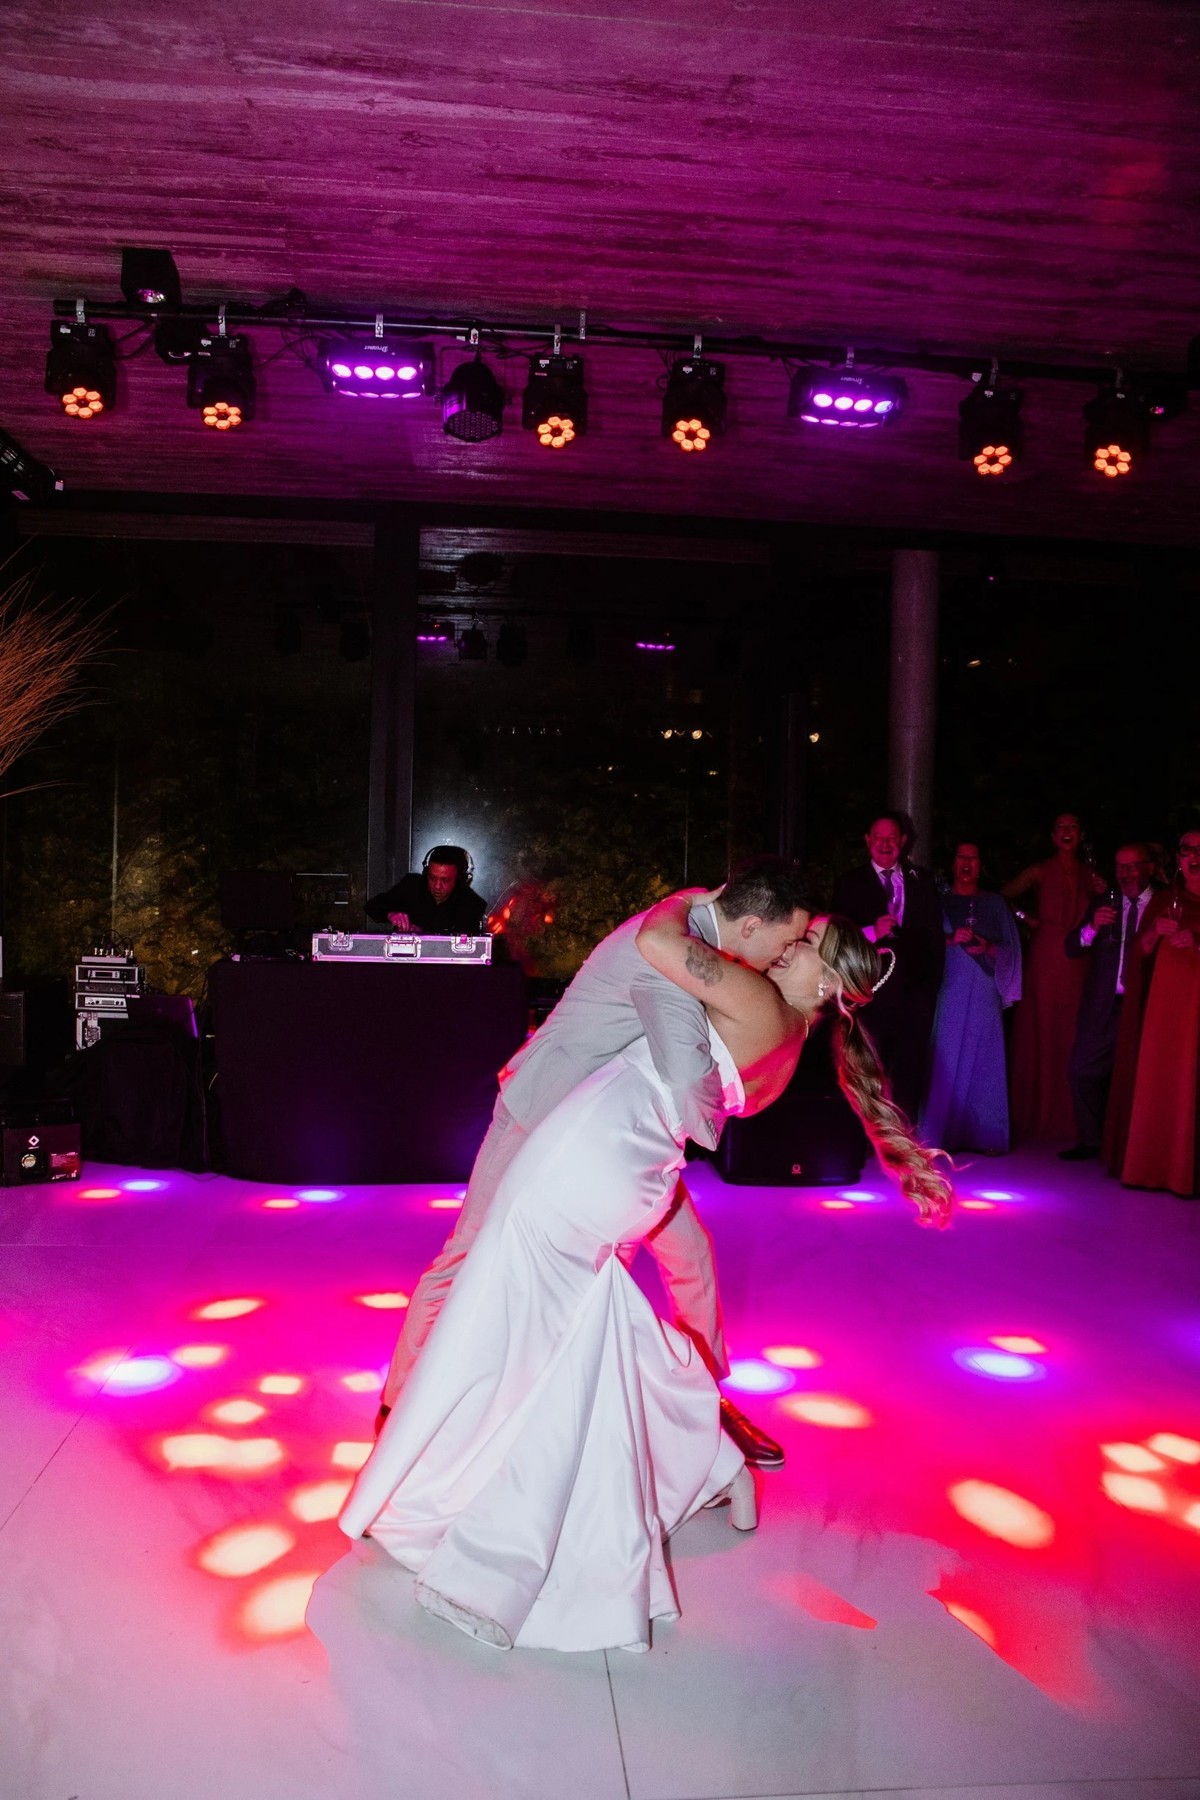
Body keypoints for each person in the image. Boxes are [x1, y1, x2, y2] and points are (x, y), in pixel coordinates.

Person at [339, 898, 951, 1653]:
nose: (789, 945)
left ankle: (507, 1499)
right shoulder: (787, 1042)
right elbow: (691, 1068)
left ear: (828, 985)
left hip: (594, 1150)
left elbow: (659, 944)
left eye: (806, 943)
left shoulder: (755, 995)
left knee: (528, 1308)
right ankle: (709, 1450)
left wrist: (695, 903)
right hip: (622, 1151)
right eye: (795, 933)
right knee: (583, 1311)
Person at [376, 856, 815, 1471]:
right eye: (788, 939)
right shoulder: (671, 951)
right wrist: (728, 1107)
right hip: (541, 1113)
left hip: (611, 1139)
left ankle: (705, 1401)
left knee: (689, 1254)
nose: (788, 953)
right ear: (750, 927)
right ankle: (397, 1408)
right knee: (466, 1255)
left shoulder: (690, 926)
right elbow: (688, 1083)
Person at [831, 811, 946, 1121]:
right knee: (868, 1072)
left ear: (903, 841)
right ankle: (865, 1136)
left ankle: (904, 1137)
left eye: (892, 838)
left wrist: (929, 992)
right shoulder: (850, 883)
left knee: (910, 1075)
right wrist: (871, 932)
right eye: (879, 837)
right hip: (869, 997)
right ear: (868, 840)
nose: (885, 844)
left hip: (914, 1000)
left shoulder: (921, 881)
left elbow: (935, 940)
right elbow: (835, 936)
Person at [1104, 828, 1200, 1196]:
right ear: (1178, 858)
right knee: (1161, 1079)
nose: (1194, 857)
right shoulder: (1165, 899)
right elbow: (1138, 954)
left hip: (1193, 1005)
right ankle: (1153, 1166)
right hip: (1164, 1009)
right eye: (1187, 850)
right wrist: (1155, 931)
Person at [1003, 813, 1101, 1141]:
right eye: (1061, 827)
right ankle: (1039, 1112)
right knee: (1043, 1029)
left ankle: (1074, 1118)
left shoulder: (1091, 873)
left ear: (1081, 834)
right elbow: (1003, 896)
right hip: (1046, 955)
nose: (1067, 832)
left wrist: (1102, 894)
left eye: (1073, 827)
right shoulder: (1040, 870)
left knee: (1073, 1030)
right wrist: (1027, 919)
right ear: (1052, 836)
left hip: (1078, 958)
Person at [920, 841, 1022, 1155]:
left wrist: (987, 947)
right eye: (961, 857)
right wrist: (950, 939)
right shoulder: (937, 902)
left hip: (984, 989)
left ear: (981, 865)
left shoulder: (995, 904)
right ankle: (939, 1135)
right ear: (953, 864)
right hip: (949, 987)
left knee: (984, 1059)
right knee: (946, 1058)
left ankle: (985, 1135)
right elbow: (921, 943)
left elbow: (1013, 950)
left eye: (973, 857)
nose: (967, 862)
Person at [1059, 843, 1156, 1161]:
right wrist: (1092, 927)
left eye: (1132, 866)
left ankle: (1137, 1146)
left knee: (1141, 1077)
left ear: (1149, 868)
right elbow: (1072, 947)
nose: (1125, 873)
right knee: (1080, 1070)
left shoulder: (1161, 904)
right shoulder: (1106, 903)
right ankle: (1092, 1140)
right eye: (1120, 867)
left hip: (1146, 1006)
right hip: (1105, 1005)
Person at [365, 844, 488, 934]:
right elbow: (371, 906)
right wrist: (390, 914)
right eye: (432, 878)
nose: (437, 886)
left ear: (460, 879)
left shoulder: (472, 904)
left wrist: (422, 933)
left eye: (445, 880)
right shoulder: (411, 885)